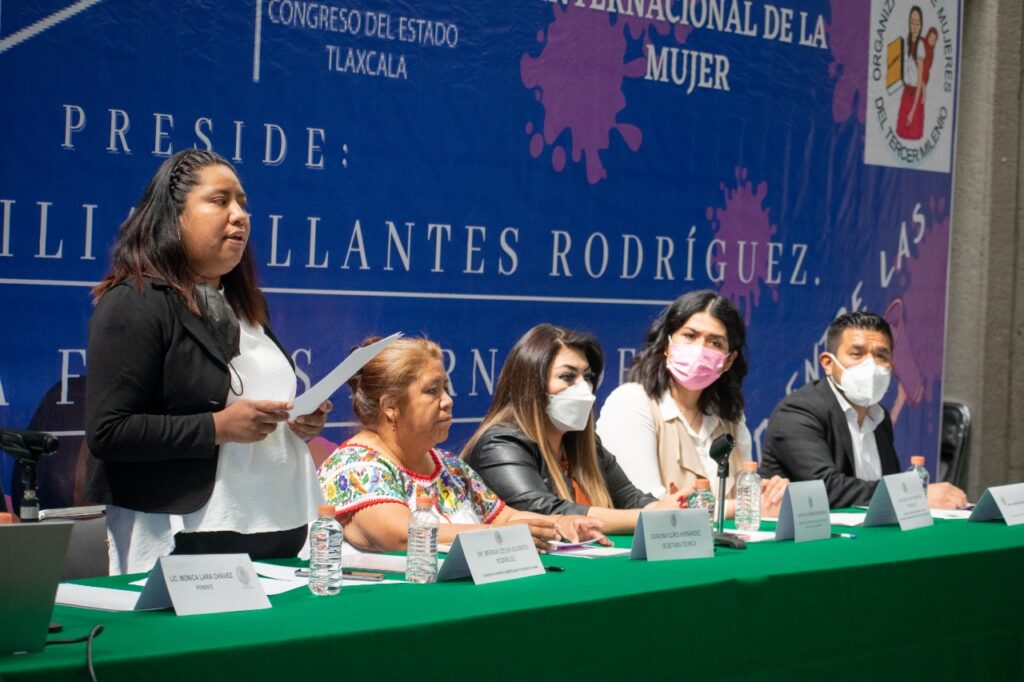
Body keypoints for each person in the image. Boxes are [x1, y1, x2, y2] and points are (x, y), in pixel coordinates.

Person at [86, 149, 331, 574]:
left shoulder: (245, 307)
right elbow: (109, 432)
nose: (240, 216)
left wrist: (298, 420)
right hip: (191, 533)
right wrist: (217, 428)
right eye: (220, 201)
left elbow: (251, 406)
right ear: (174, 215)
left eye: (243, 204)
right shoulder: (134, 301)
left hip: (282, 523)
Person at [317, 336, 608, 552]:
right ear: (391, 406)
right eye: (433, 391)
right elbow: (400, 535)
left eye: (445, 388)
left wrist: (558, 524)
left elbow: (505, 517)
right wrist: (503, 536)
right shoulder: (354, 466)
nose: (447, 401)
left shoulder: (450, 467)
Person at [463, 325, 688, 534]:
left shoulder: (586, 444)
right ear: (532, 385)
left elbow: (630, 498)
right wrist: (650, 517)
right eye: (568, 377)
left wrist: (667, 507)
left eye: (587, 377)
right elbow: (545, 513)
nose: (583, 388)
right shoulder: (500, 443)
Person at [597, 290, 788, 518]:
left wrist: (771, 494)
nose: (700, 349)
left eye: (715, 342)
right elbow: (647, 506)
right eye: (689, 336)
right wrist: (745, 506)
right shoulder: (630, 402)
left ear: (728, 360)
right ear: (667, 343)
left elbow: (745, 496)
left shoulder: (729, 415)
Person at [759, 312, 967, 509]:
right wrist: (913, 495)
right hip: (806, 532)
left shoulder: (880, 417)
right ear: (828, 363)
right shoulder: (797, 412)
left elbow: (886, 484)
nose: (871, 365)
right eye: (857, 354)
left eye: (881, 355)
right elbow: (824, 488)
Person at [896, 6, 927, 140]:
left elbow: (919, 79)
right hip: (906, 92)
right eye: (912, 22)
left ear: (921, 25)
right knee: (900, 133)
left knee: (913, 137)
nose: (914, 27)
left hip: (915, 95)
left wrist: (912, 112)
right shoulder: (906, 42)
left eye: (917, 23)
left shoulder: (920, 46)